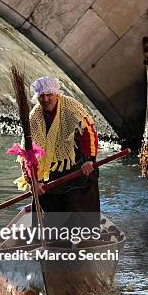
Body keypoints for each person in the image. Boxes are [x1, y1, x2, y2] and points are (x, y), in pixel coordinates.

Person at [16, 77, 100, 245]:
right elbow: (29, 153)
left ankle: (87, 243)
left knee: (79, 208)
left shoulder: (70, 107)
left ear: (56, 94)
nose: (46, 99)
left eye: (49, 95)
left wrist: (89, 160)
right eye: (42, 96)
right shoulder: (34, 117)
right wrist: (34, 181)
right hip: (53, 169)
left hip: (78, 165)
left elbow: (88, 133)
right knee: (47, 206)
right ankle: (52, 245)